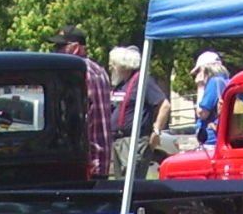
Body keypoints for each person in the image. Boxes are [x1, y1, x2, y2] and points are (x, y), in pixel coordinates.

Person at [53, 26, 114, 180]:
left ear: (74, 48)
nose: (55, 52)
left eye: (59, 47)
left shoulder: (78, 74)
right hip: (101, 159)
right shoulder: (100, 70)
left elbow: (78, 118)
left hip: (86, 162)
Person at [108, 46, 170, 178]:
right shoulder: (121, 84)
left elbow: (164, 105)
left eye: (114, 64)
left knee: (130, 182)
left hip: (134, 141)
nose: (111, 67)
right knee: (121, 184)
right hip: (119, 141)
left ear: (124, 65)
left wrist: (157, 130)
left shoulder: (143, 81)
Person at [192, 51, 229, 146]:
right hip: (223, 137)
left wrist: (200, 87)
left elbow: (202, 113)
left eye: (198, 71)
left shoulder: (214, 82)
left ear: (205, 69)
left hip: (212, 140)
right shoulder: (227, 81)